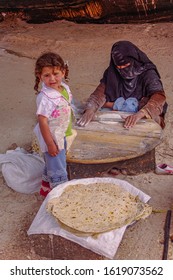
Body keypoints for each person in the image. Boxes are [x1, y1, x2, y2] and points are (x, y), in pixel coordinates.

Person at [77, 40, 167, 129]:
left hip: (142, 110)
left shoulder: (147, 73)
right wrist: (90, 109)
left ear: (134, 59)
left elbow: (159, 97)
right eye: (119, 67)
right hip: (120, 108)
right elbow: (100, 93)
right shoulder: (113, 72)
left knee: (149, 126)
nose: (122, 70)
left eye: (126, 65)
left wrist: (140, 114)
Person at [33, 52, 73, 197]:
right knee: (59, 168)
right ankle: (60, 196)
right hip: (51, 137)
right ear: (39, 76)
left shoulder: (64, 89)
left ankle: (45, 190)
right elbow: (42, 121)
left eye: (56, 74)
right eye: (47, 75)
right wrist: (50, 144)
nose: (52, 79)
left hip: (61, 134)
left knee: (54, 164)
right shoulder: (46, 98)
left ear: (63, 72)